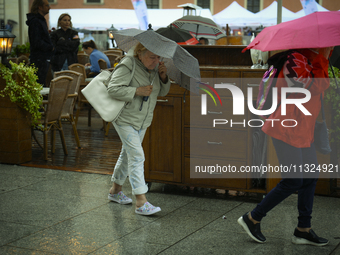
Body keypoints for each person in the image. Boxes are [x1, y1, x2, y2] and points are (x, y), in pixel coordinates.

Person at [237, 47, 333, 246]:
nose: (331, 47)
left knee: (311, 175)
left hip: (304, 130)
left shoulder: (313, 60)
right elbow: (312, 87)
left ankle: (303, 229)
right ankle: (252, 217)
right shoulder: (294, 59)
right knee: (293, 180)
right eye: (328, 45)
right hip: (285, 128)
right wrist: (322, 59)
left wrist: (321, 59)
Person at [106, 43, 171, 215]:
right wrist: (137, 91)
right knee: (137, 156)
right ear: (140, 54)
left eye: (158, 57)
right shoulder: (128, 64)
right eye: (152, 57)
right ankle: (141, 202)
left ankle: (115, 191)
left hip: (142, 120)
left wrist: (163, 77)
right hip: (124, 118)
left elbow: (161, 93)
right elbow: (112, 89)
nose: (156, 61)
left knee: (127, 154)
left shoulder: (156, 69)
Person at [26, 0, 54, 87]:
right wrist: (50, 47)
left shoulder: (40, 20)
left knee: (42, 82)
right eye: (47, 5)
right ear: (40, 7)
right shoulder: (36, 21)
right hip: (39, 59)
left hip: (42, 58)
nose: (49, 7)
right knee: (39, 84)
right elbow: (36, 41)